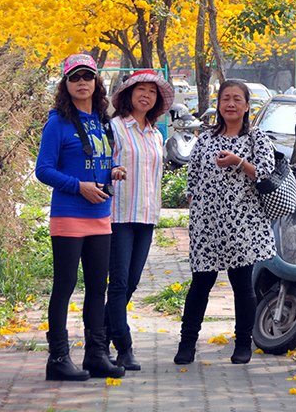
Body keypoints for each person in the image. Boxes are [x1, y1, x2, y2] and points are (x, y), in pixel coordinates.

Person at [35, 53, 126, 382]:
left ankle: (96, 354)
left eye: (88, 76)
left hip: (100, 215)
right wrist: (79, 187)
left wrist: (112, 171)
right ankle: (58, 358)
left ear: (96, 82)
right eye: (75, 78)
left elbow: (99, 161)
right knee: (65, 285)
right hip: (69, 215)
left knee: (96, 288)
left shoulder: (102, 120)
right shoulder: (57, 123)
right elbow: (43, 170)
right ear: (66, 84)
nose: (82, 82)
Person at [174, 78, 276, 367]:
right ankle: (187, 343)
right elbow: (192, 176)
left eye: (236, 99)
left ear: (246, 106)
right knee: (200, 283)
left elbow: (265, 174)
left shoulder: (257, 138)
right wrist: (194, 200)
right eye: (225, 99)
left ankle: (243, 342)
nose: (230, 104)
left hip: (242, 223)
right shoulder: (205, 138)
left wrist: (238, 162)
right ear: (218, 104)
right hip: (207, 224)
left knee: (242, 285)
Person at [105, 69, 174, 371]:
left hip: (146, 217)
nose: (145, 95)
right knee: (119, 285)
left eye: (152, 91)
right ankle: (124, 347)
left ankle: (100, 338)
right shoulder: (115, 128)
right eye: (140, 90)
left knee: (131, 284)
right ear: (128, 95)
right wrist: (111, 171)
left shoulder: (157, 135)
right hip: (118, 215)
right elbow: (102, 166)